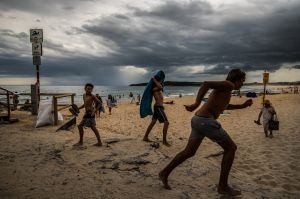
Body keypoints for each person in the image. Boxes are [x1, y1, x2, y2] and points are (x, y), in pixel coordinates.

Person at [159, 69, 253, 196]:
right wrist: (196, 103)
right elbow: (206, 84)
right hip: (206, 122)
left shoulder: (226, 90)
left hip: (198, 120)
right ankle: (223, 186)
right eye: (242, 81)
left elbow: (224, 106)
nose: (243, 84)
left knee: (189, 151)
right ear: (236, 79)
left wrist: (242, 106)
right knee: (231, 148)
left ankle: (164, 173)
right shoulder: (228, 84)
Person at [142, 71, 170, 146]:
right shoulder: (154, 88)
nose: (161, 81)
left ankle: (145, 137)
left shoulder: (157, 87)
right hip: (158, 108)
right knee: (166, 123)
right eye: (160, 80)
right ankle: (164, 141)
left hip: (159, 107)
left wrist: (157, 81)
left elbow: (161, 86)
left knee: (153, 122)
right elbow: (160, 87)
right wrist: (153, 79)